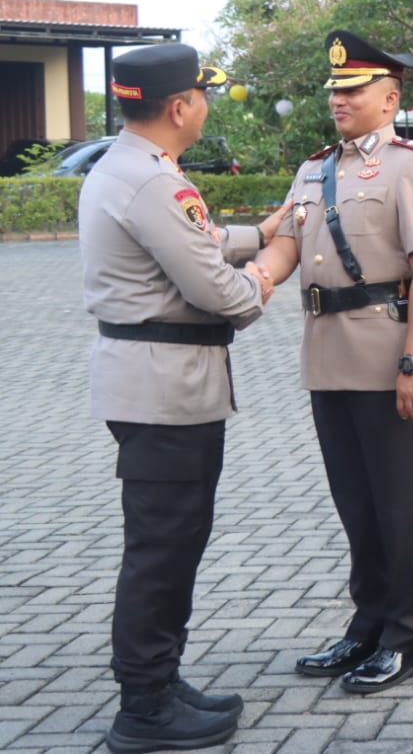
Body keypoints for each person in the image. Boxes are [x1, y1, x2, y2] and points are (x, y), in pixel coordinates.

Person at [80, 43, 281, 753]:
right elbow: (221, 294)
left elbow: (194, 241)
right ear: (178, 107)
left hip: (152, 386)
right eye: (202, 96)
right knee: (163, 548)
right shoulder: (155, 184)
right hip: (165, 392)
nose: (205, 106)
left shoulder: (132, 168)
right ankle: (144, 706)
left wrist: (260, 230)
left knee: (171, 541)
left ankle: (160, 680)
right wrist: (271, 265)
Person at [254, 30, 413, 694]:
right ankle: (366, 624)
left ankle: (405, 637)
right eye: (334, 89)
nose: (338, 99)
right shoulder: (313, 168)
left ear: (389, 96)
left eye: (353, 89)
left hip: (390, 357)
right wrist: (250, 280)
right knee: (355, 504)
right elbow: (284, 245)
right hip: (328, 358)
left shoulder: (412, 165)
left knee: (398, 504)